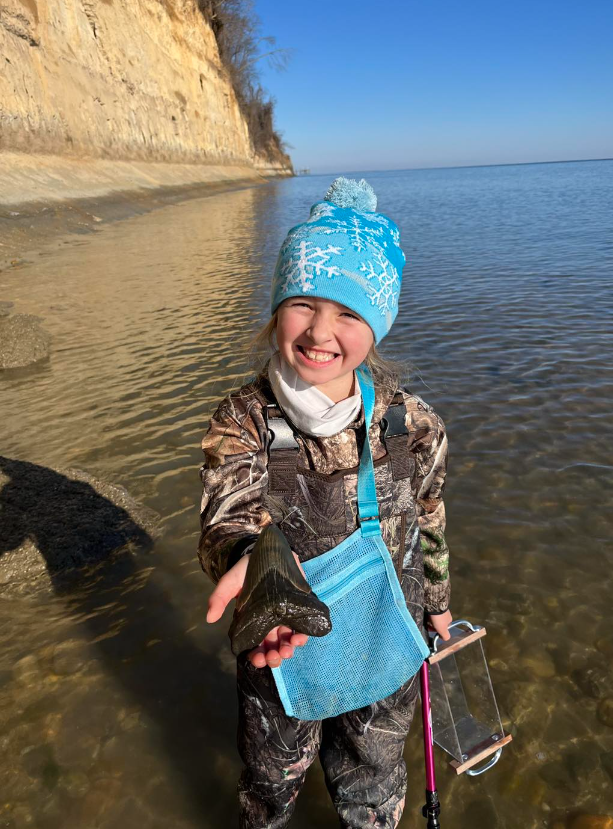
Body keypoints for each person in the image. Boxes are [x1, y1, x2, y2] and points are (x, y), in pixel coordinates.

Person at [198, 177, 452, 829]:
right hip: (277, 643)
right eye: (303, 303)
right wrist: (252, 566)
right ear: (277, 304)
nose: (319, 331)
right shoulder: (245, 419)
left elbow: (428, 516)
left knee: (372, 780)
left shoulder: (410, 424)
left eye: (347, 312)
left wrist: (440, 604)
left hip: (385, 641)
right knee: (268, 783)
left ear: (378, 323)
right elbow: (226, 516)